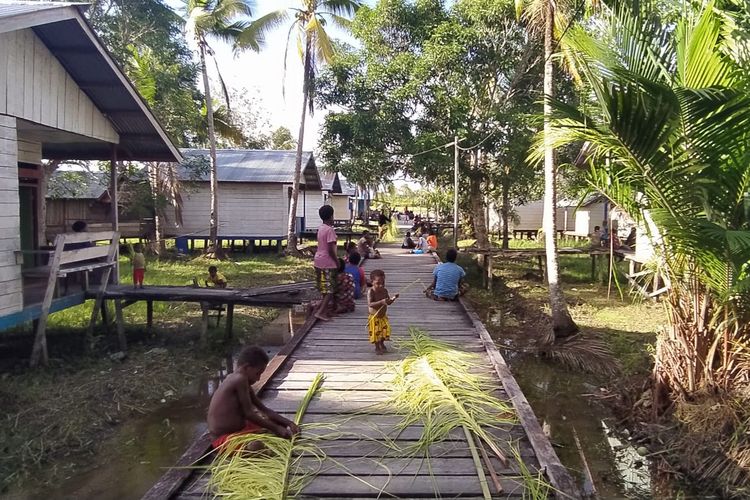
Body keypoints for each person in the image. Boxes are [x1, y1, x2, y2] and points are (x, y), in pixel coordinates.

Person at [207, 345, 299, 450]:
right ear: (246, 367)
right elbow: (249, 414)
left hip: (242, 429)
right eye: (257, 373)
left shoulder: (243, 381)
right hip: (225, 438)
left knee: (275, 422)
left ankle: (261, 435)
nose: (259, 378)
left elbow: (264, 410)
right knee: (256, 446)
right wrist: (277, 429)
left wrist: (289, 423)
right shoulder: (239, 379)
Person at [314, 205, 338, 321]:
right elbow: (330, 249)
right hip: (327, 262)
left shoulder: (321, 228)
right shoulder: (330, 230)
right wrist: (336, 261)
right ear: (331, 216)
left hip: (318, 260)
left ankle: (325, 310)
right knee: (330, 289)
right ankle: (320, 312)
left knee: (324, 288)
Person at [367, 270, 399, 355]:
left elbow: (388, 302)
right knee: (376, 332)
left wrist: (393, 298)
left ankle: (382, 343)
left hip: (383, 316)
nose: (381, 286)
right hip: (375, 317)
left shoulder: (384, 291)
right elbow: (370, 304)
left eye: (383, 283)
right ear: (372, 282)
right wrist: (381, 302)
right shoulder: (371, 292)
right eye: (378, 283)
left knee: (385, 330)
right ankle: (377, 346)